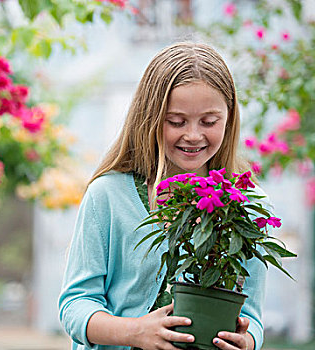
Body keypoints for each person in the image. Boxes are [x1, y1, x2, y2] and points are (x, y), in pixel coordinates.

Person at [58, 41, 269, 350]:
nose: (194, 135)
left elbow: (252, 318)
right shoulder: (108, 196)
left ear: (230, 117)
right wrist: (135, 332)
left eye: (209, 122)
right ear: (150, 118)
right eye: (176, 121)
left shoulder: (246, 206)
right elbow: (75, 306)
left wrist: (246, 342)